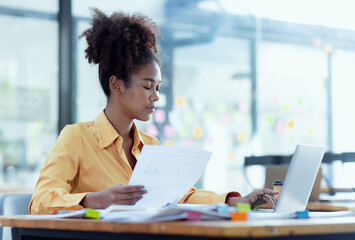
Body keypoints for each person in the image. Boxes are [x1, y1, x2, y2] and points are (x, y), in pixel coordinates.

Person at [29, 8, 277, 215]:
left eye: (157, 88)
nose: (155, 96)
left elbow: (182, 196)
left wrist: (233, 201)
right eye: (147, 86)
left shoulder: (150, 145)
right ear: (116, 84)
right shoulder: (77, 138)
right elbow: (39, 202)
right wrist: (93, 200)